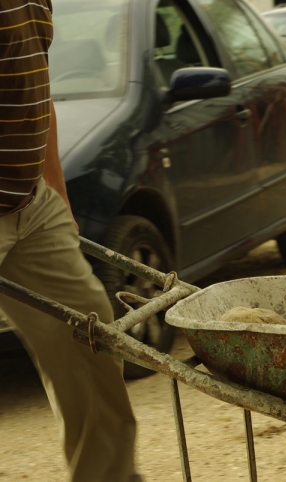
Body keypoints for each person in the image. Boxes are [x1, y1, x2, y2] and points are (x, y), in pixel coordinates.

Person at [0, 1, 141, 481]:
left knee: (88, 331)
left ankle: (108, 476)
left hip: (28, 201)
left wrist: (55, 189)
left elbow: (37, 92)